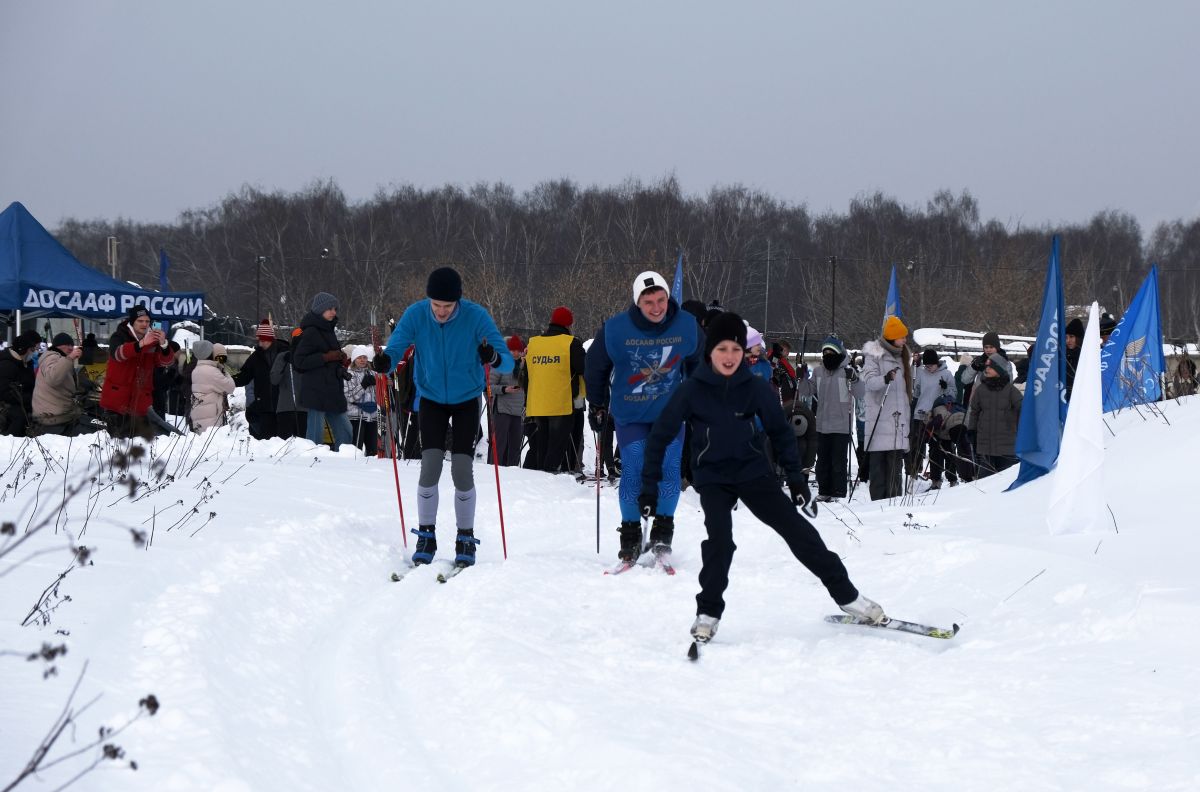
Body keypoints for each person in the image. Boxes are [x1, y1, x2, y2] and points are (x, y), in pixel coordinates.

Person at [640, 312, 885, 644]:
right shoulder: (692, 390)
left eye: (736, 350)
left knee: (798, 531)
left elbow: (781, 432)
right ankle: (708, 612)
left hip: (752, 471)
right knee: (720, 542)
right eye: (723, 349)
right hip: (712, 477)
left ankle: (847, 596)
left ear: (745, 353)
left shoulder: (754, 387)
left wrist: (797, 481)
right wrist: (648, 487)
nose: (729, 357)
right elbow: (660, 436)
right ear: (710, 351)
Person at [377, 267, 513, 568]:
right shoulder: (416, 314)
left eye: (447, 306)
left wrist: (491, 356)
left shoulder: (475, 316)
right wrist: (385, 361)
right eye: (436, 305)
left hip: (466, 399)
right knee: (430, 468)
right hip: (431, 400)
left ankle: (465, 537)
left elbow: (506, 358)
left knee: (462, 470)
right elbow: (395, 349)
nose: (440, 311)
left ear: (458, 302)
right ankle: (426, 535)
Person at [584, 270, 702, 564]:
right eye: (648, 302)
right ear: (638, 303)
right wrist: (597, 404)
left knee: (669, 468)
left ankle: (663, 530)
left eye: (661, 300)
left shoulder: (686, 325)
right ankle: (631, 535)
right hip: (631, 412)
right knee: (634, 467)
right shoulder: (616, 329)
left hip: (671, 413)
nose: (656, 308)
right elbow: (595, 366)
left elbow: (700, 360)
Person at [795, 335, 864, 501]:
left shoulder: (847, 371)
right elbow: (806, 391)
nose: (827, 356)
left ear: (838, 353)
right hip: (822, 425)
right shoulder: (819, 371)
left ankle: (838, 493)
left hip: (841, 426)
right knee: (823, 462)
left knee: (838, 462)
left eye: (830, 352)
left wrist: (854, 379)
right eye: (824, 353)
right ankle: (824, 490)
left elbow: (861, 393)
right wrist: (802, 377)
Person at [523, 306, 585, 473]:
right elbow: (583, 368)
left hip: (538, 403)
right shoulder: (570, 343)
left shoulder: (534, 343)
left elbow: (525, 374)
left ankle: (542, 480)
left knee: (542, 445)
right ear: (568, 325)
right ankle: (549, 479)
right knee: (557, 447)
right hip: (561, 403)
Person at [99, 307, 177, 438]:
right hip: (117, 402)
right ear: (132, 321)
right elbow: (118, 354)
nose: (144, 324)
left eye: (147, 321)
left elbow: (166, 362)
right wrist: (140, 344)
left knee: (139, 446)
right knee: (117, 444)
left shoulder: (153, 340)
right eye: (140, 321)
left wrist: (164, 345)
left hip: (140, 402)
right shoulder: (119, 335)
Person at [293, 293, 354, 451]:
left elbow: (329, 362)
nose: (334, 312)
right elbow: (299, 361)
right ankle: (313, 465)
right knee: (315, 438)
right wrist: (325, 357)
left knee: (346, 432)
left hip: (332, 390)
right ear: (320, 310)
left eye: (334, 309)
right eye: (330, 309)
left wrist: (340, 363)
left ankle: (343, 464)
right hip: (316, 391)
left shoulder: (329, 330)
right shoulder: (311, 331)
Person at [862, 316, 912, 500]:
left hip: (897, 424)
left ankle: (894, 513)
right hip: (879, 424)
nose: (905, 340)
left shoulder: (903, 357)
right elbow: (869, 382)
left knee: (894, 476)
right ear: (892, 337)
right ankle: (877, 512)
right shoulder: (874, 355)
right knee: (879, 477)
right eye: (902, 337)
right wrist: (885, 378)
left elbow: (905, 396)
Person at [967, 353, 1023, 477]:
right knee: (985, 483)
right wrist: (972, 429)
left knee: (1006, 481)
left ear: (999, 370)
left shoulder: (1011, 390)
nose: (986, 369)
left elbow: (1022, 410)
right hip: (985, 447)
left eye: (990, 367)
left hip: (1007, 447)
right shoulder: (981, 390)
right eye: (986, 367)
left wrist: (1018, 430)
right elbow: (974, 411)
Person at [31, 333, 97, 436]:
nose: (71, 347)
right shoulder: (51, 357)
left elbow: (67, 383)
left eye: (72, 345)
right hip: (52, 416)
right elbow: (53, 378)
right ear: (58, 346)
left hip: (58, 412)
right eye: (67, 344)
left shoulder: (61, 359)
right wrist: (70, 358)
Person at [910, 348, 957, 489]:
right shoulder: (921, 373)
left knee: (943, 446)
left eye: (931, 365)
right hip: (922, 414)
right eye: (926, 365)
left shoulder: (946, 374)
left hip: (939, 415)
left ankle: (951, 478)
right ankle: (933, 480)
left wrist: (945, 388)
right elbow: (916, 391)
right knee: (924, 447)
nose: (928, 368)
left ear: (937, 363)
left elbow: (954, 394)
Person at [234, 320, 284, 439]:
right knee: (265, 443)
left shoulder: (284, 352)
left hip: (283, 408)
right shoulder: (256, 357)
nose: (260, 344)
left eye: (263, 340)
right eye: (259, 340)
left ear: (270, 339)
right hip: (263, 407)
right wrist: (230, 380)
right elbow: (244, 375)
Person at [489, 335, 526, 466]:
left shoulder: (524, 365)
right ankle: (495, 469)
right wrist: (505, 389)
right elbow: (489, 386)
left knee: (515, 446)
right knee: (500, 444)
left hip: (518, 411)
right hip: (502, 409)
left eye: (518, 350)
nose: (515, 353)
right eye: (512, 350)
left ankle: (513, 471)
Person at [188, 340, 235, 433]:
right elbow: (230, 387)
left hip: (200, 415)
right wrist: (224, 370)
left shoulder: (196, 369)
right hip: (210, 419)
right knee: (212, 444)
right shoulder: (212, 371)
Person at [0, 330, 41, 436]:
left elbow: (30, 384)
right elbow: (5, 393)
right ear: (24, 350)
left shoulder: (27, 362)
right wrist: (30, 398)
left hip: (26, 408)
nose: (35, 352)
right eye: (33, 349)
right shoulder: (7, 365)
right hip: (12, 414)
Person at [270, 328, 308, 439]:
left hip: (305, 409)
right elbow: (274, 379)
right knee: (285, 445)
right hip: (285, 408)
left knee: (303, 446)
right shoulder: (282, 356)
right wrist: (284, 362)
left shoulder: (309, 358)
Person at [344, 345, 379, 456]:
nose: (362, 360)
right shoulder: (349, 374)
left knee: (373, 450)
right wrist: (363, 385)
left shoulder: (373, 373)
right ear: (354, 359)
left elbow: (379, 394)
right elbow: (349, 397)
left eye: (364, 357)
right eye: (359, 358)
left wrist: (382, 384)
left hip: (372, 415)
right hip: (356, 415)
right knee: (356, 449)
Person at [1064, 317, 1083, 401]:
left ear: (1078, 338)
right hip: (1063, 396)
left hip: (1079, 397)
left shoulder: (1085, 355)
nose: (1068, 340)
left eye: (1071, 337)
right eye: (1066, 337)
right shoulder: (1062, 354)